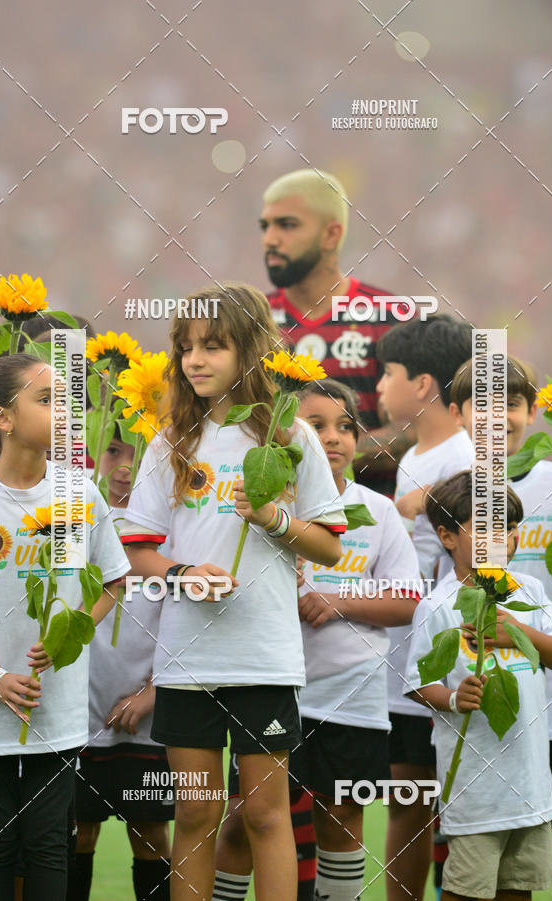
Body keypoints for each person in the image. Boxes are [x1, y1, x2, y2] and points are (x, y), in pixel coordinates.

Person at [122, 283, 347, 901]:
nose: (195, 360)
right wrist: (182, 575)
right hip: (186, 661)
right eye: (186, 348)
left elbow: (329, 545)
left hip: (265, 658)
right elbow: (138, 549)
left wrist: (273, 518)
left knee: (264, 815)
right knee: (194, 815)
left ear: (250, 349)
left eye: (213, 347)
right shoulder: (170, 441)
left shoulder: (292, 437)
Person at [214, 378, 422, 901]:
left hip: (352, 694)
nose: (333, 438)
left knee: (342, 816)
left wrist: (339, 602)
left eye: (345, 426)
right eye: (316, 425)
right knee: (246, 815)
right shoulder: (258, 505)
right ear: (285, 435)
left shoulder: (377, 511)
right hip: (270, 685)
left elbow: (406, 602)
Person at [0, 353, 130, 901]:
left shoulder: (76, 496)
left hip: (56, 708)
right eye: (46, 400)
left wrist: (70, 635)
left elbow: (112, 580)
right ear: (3, 417)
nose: (64, 413)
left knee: (48, 845)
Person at [404, 470, 552, 901]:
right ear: (446, 536)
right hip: (475, 794)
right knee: (467, 891)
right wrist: (454, 699)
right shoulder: (438, 606)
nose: (502, 538)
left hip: (533, 788)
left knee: (518, 890)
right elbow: (418, 683)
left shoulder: (529, 591)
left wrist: (519, 631)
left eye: (509, 527)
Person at [449, 355, 552, 901]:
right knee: (481, 841)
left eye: (512, 404)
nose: (497, 416)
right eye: (483, 404)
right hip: (489, 704)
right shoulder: (450, 493)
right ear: (459, 416)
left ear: (532, 413)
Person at [375, 314, 473, 901]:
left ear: (424, 385)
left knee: (428, 807)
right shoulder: (417, 454)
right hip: (405, 665)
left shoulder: (459, 461)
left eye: (387, 373)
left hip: (441, 667)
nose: (378, 388)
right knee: (408, 804)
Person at [261, 167, 414, 497]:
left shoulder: (390, 316)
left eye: (287, 225)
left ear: (331, 234)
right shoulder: (253, 320)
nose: (270, 239)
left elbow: (415, 426)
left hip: (372, 520)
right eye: (266, 226)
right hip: (279, 521)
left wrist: (329, 455)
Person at [69, 427, 173, 901]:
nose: (125, 466)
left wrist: (152, 691)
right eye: (113, 451)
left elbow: (191, 618)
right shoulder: (74, 519)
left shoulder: (169, 529)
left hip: (146, 715)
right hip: (78, 713)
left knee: (150, 832)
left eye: (139, 453)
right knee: (76, 832)